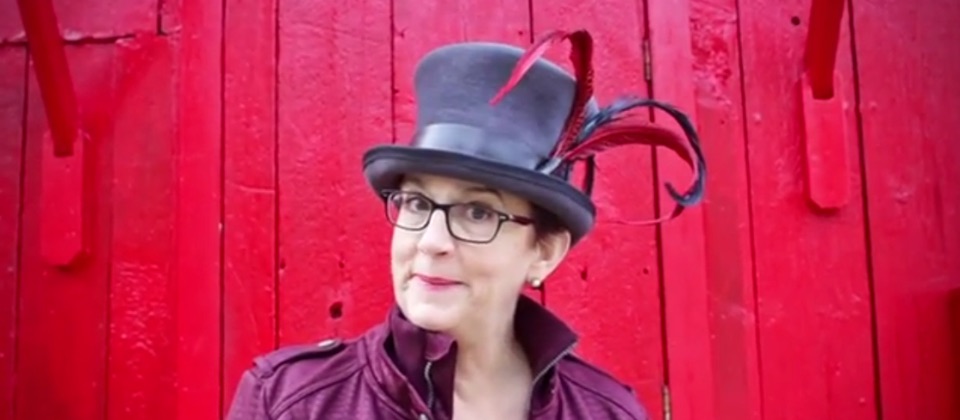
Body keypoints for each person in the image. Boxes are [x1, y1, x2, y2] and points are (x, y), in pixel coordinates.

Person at [226, 28, 705, 420]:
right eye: (416, 203)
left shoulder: (605, 413)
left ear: (544, 252)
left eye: (478, 212)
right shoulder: (290, 403)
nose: (431, 241)